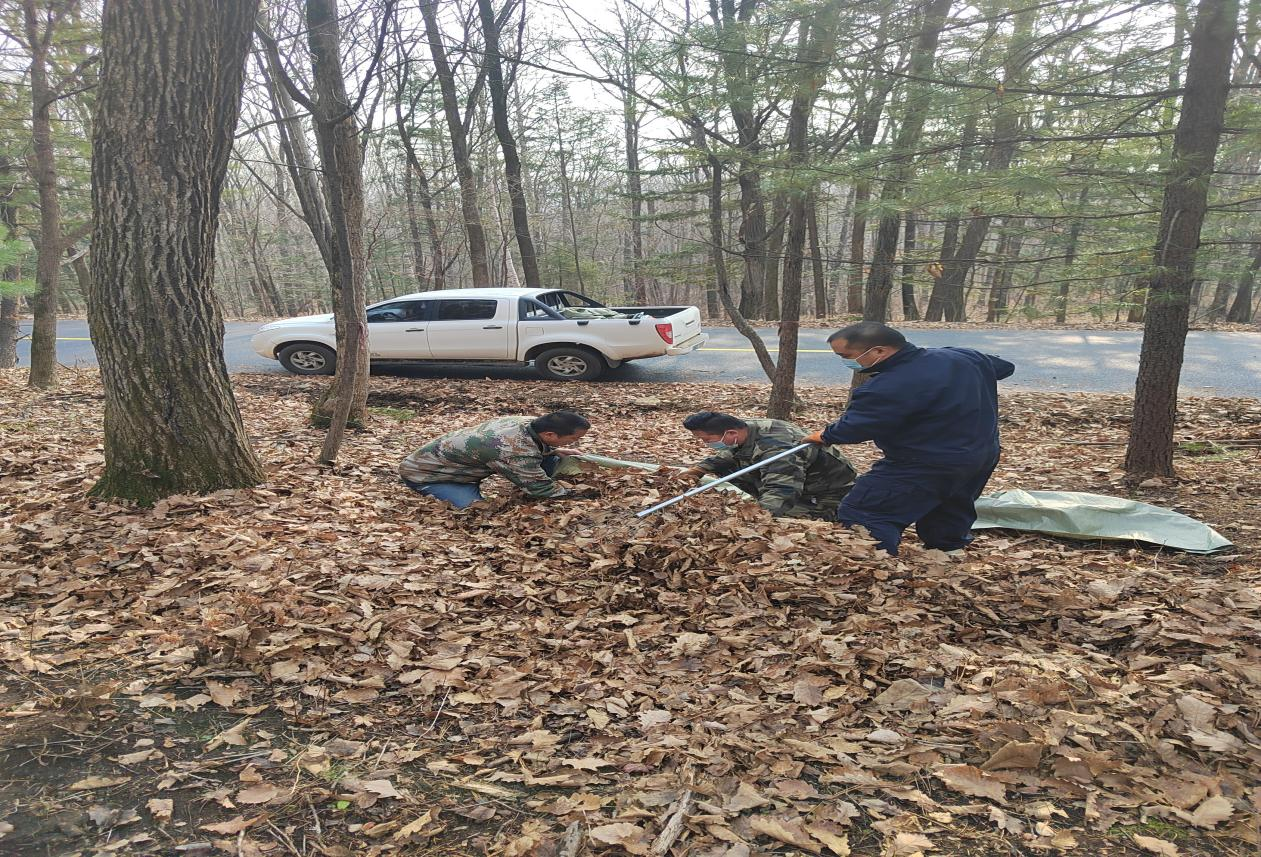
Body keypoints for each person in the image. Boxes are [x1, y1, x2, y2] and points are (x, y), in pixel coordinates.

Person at [803, 322, 1015, 555]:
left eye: (847, 356)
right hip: (980, 454)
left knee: (866, 511)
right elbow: (1005, 368)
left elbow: (857, 427)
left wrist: (825, 435)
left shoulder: (887, 386)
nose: (846, 362)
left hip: (923, 462)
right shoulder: (965, 357)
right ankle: (948, 551)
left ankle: (874, 564)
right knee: (950, 504)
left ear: (879, 351)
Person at [680, 411, 857, 520]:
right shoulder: (747, 428)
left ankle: (828, 514)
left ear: (731, 432)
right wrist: (700, 469)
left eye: (707, 440)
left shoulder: (778, 450)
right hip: (795, 476)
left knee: (787, 520)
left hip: (825, 492)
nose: (705, 444)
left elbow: (782, 490)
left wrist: (756, 517)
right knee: (725, 468)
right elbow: (732, 453)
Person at [400, 410, 592, 508]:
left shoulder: (528, 422)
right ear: (550, 434)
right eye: (573, 439)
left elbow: (529, 445)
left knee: (547, 461)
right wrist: (580, 495)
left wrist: (552, 451)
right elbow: (541, 489)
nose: (574, 442)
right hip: (430, 475)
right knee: (476, 511)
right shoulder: (512, 449)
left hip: (464, 465)